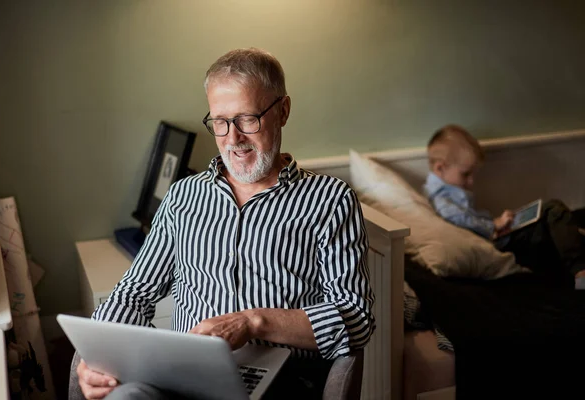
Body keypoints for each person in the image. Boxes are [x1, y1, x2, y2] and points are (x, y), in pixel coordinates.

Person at [72, 47, 375, 400]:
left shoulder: (330, 199)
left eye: (247, 119)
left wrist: (253, 322)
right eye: (220, 121)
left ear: (283, 111)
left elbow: (354, 319)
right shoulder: (183, 196)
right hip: (183, 372)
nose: (233, 139)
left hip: (281, 377)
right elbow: (135, 293)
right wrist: (97, 355)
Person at [423, 124, 585, 287]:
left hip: (499, 236)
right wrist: (493, 225)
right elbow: (457, 217)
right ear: (440, 167)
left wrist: (496, 222)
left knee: (553, 225)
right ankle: (581, 274)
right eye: (465, 174)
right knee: (553, 210)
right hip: (501, 243)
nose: (471, 181)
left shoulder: (442, 190)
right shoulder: (441, 199)